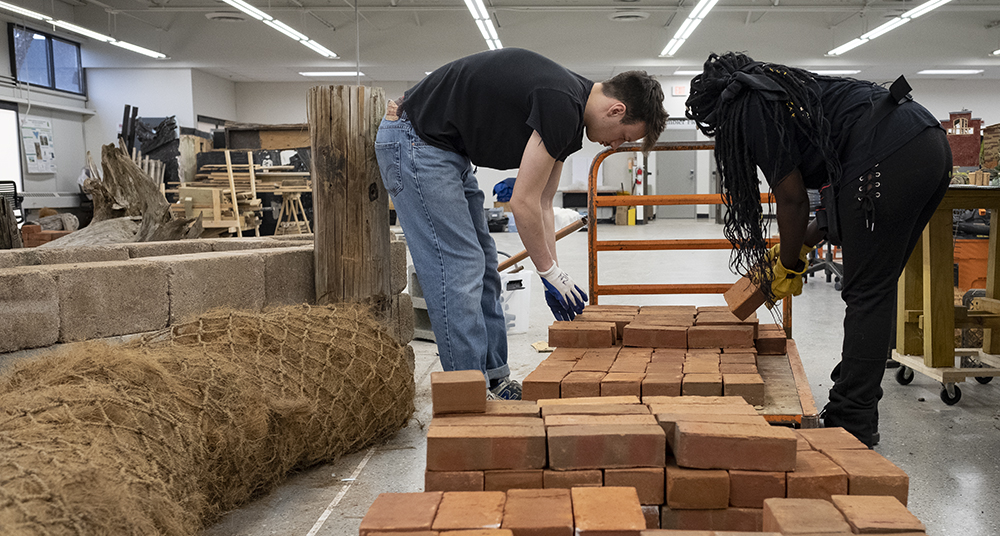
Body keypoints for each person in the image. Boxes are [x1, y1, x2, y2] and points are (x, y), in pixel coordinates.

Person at [685, 52, 951, 447]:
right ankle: (852, 388)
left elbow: (792, 200)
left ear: (722, 109)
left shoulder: (752, 107)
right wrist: (798, 247)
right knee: (877, 284)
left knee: (867, 293)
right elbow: (830, 211)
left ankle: (853, 420)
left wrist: (786, 266)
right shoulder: (783, 90)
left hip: (889, 154)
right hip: (926, 141)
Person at [375, 48, 668, 400]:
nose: (615, 144)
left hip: (446, 150)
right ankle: (466, 391)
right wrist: (546, 272)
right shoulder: (562, 103)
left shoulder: (573, 114)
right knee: (457, 268)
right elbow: (522, 202)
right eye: (623, 135)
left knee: (483, 265)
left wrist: (555, 275)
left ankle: (495, 378)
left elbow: (544, 202)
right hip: (414, 140)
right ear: (616, 110)